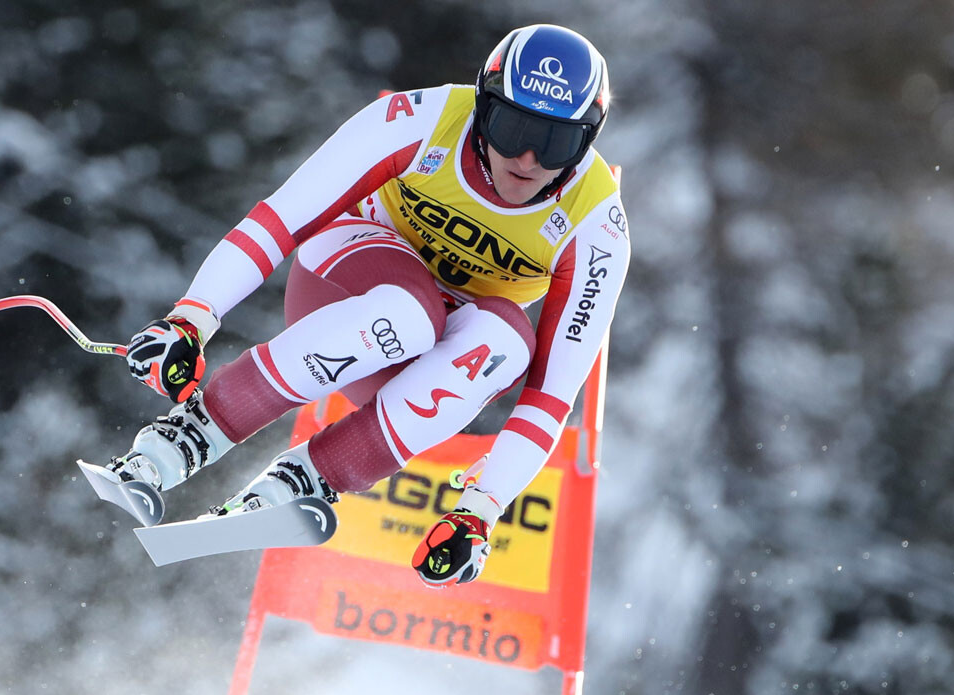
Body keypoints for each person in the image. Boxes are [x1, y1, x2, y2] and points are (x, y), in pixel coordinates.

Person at [82, 23, 631, 588]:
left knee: (509, 344)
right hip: (347, 278)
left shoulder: (596, 225)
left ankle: (305, 481)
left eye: (557, 141)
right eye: (513, 127)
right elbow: (281, 219)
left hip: (423, 353)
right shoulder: (425, 121)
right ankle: (180, 441)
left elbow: (552, 393)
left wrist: (481, 512)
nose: (529, 157)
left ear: (586, 141)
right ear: (483, 109)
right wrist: (191, 318)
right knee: (412, 312)